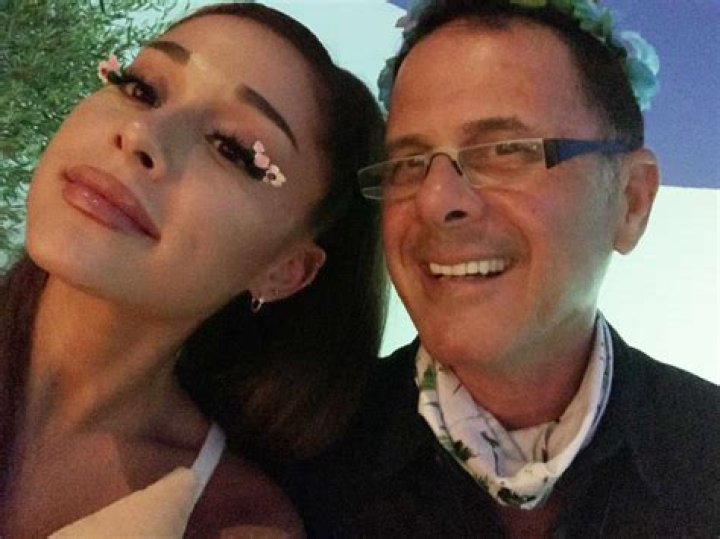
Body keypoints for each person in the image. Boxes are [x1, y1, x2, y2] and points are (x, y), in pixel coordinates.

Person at [285, 0, 720, 536]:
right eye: (408, 164)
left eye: (506, 151)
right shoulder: (301, 465)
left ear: (631, 201)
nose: (435, 200)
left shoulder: (706, 458)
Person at [0, 2, 387, 536]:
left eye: (233, 149)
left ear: (285, 270)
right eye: (141, 88)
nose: (142, 132)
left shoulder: (234, 522)